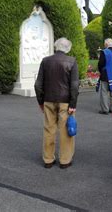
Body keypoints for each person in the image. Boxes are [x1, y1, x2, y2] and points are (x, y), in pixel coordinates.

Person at [34, 37, 79, 169]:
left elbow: (38, 84)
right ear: (68, 48)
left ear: (56, 47)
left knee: (49, 129)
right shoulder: (72, 61)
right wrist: (73, 104)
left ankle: (48, 159)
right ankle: (65, 160)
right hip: (65, 101)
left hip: (48, 99)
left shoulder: (45, 61)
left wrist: (40, 101)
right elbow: (74, 86)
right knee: (65, 130)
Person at [97, 38, 112, 115]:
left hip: (106, 73)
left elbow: (101, 64)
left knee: (104, 92)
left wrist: (100, 71)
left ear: (106, 44)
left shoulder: (104, 52)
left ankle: (105, 109)